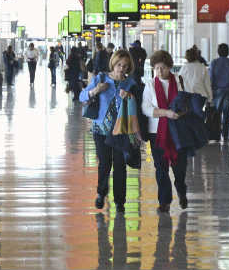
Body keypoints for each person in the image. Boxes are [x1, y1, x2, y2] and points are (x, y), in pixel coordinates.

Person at [80, 50, 140, 213]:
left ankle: (120, 201)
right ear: (113, 63)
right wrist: (96, 90)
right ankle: (101, 192)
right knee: (105, 163)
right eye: (119, 65)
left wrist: (129, 96)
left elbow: (137, 106)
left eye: (125, 66)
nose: (121, 69)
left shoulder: (131, 84)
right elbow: (82, 97)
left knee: (120, 165)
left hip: (121, 129)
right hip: (101, 129)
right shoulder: (101, 78)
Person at [143, 50, 189, 212]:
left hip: (178, 131)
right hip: (157, 132)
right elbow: (147, 108)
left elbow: (185, 102)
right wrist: (166, 113)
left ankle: (181, 190)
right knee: (161, 168)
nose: (159, 71)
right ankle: (165, 201)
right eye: (156, 68)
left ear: (169, 67)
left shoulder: (178, 81)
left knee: (179, 167)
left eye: (162, 68)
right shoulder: (150, 84)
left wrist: (179, 113)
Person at [209, 43, 229, 142]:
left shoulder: (214, 63)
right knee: (226, 113)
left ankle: (217, 133)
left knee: (217, 113)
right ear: (228, 52)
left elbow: (210, 77)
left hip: (217, 91)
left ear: (218, 52)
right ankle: (226, 134)